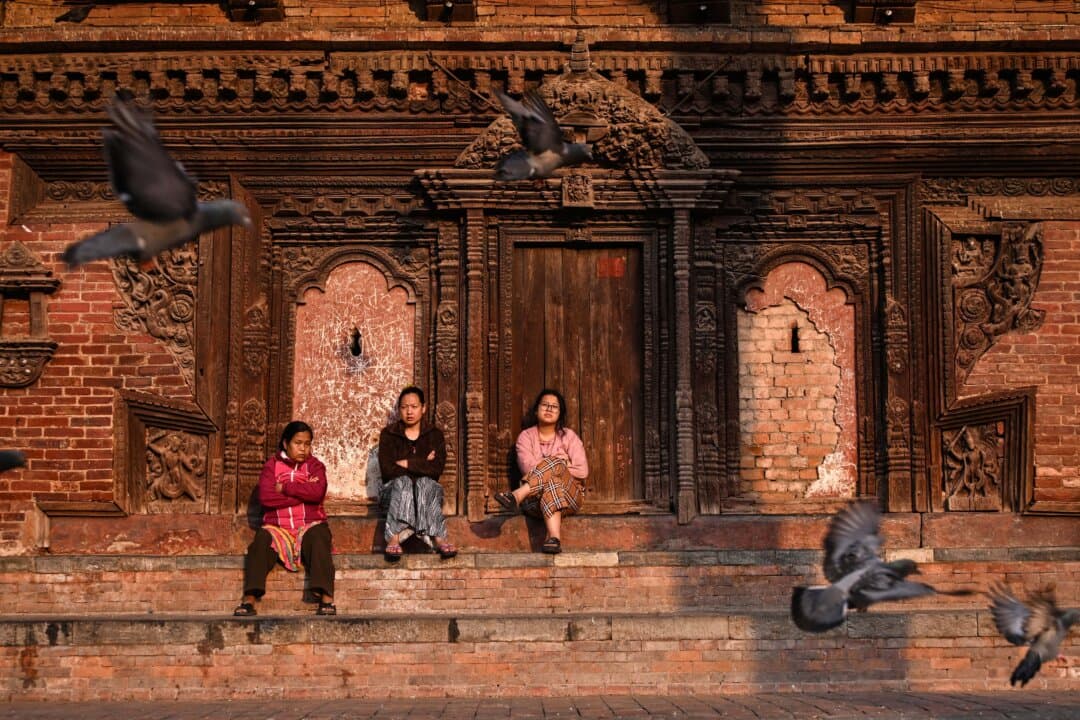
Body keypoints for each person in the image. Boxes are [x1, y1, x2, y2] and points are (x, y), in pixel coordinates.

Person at [233, 421, 336, 616]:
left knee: (319, 537)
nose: (303, 448)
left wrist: (286, 487)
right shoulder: (271, 467)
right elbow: (267, 498)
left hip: (309, 525)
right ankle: (249, 600)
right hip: (277, 528)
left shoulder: (315, 466)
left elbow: (317, 493)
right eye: (298, 443)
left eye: (307, 444)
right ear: (285, 443)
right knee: (260, 542)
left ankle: (326, 599)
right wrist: (302, 494)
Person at [496, 388, 588, 554]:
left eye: (554, 406)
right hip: (534, 501)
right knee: (553, 478)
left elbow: (582, 471)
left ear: (560, 413)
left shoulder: (569, 436)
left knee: (555, 466)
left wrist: (557, 465)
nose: (549, 409)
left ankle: (517, 495)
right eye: (545, 405)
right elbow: (528, 469)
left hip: (570, 497)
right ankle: (554, 538)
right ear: (536, 410)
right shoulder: (525, 437)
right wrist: (562, 464)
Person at [378, 385, 457, 561]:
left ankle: (439, 538)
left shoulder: (434, 435)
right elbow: (388, 471)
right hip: (394, 494)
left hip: (424, 495)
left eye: (414, 407)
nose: (409, 412)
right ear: (399, 410)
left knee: (426, 483)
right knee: (403, 482)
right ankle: (394, 538)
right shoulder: (389, 434)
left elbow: (436, 469)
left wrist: (406, 462)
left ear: (423, 408)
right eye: (404, 407)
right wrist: (423, 462)